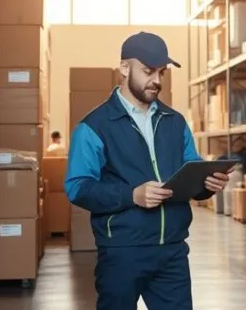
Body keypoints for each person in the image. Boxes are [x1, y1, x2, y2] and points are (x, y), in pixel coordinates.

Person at [65, 32, 229, 310]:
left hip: (173, 250)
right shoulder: (93, 126)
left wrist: (208, 183)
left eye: (161, 72)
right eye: (148, 71)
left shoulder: (174, 122)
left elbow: (192, 171)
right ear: (125, 69)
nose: (157, 80)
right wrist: (132, 195)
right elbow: (78, 187)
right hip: (122, 252)